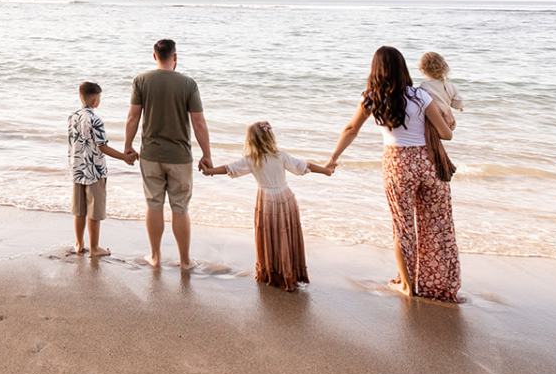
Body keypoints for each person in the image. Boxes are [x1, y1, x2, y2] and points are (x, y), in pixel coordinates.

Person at [326, 45, 461, 301]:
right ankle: (439, 286)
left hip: (397, 165)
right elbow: (447, 134)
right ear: (403, 68)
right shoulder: (420, 96)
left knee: (403, 228)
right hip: (428, 163)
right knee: (437, 226)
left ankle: (408, 286)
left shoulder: (371, 98)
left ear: (375, 70)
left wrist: (333, 159)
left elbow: (351, 128)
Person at [202, 121, 332, 291]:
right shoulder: (280, 155)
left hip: (266, 201)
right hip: (286, 198)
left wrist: (209, 171)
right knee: (286, 236)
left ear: (250, 141)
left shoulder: (251, 160)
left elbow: (229, 169)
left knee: (270, 236)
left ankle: (273, 273)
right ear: (270, 137)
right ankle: (289, 273)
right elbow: (305, 166)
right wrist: (326, 170)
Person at [123, 38, 212, 268]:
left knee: (153, 204)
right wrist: (207, 154)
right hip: (180, 156)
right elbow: (199, 122)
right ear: (175, 57)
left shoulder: (141, 81)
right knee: (180, 207)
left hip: (151, 154)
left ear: (154, 56)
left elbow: (133, 117)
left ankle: (155, 256)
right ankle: (184, 261)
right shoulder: (188, 84)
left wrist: (128, 145)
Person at [68, 80, 135, 256]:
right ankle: (95, 248)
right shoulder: (96, 120)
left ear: (80, 96)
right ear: (95, 99)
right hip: (94, 171)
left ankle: (79, 244)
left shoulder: (73, 117)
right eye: (99, 97)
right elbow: (102, 146)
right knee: (94, 211)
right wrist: (124, 157)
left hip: (77, 168)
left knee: (79, 210)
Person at [417, 51, 463, 129]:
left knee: (430, 138)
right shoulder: (449, 85)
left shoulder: (424, 86)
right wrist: (460, 107)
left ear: (422, 69)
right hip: (449, 120)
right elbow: (457, 104)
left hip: (433, 120)